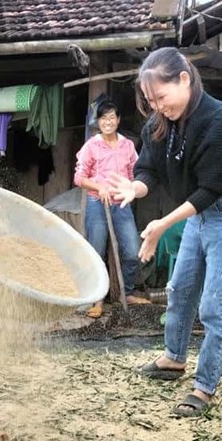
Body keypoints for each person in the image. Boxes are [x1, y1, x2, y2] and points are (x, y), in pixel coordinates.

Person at [108, 47, 222, 417]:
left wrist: (160, 225)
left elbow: (210, 189)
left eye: (162, 96)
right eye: (150, 99)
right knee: (180, 288)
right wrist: (134, 189)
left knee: (216, 305)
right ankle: (173, 359)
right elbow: (149, 170)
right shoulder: (159, 123)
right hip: (198, 213)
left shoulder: (219, 122)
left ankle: (204, 387)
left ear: (184, 79)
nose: (157, 105)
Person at [74, 100, 150, 318]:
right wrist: (100, 187)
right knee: (96, 250)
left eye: (111, 118)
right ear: (98, 122)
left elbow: (135, 172)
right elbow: (79, 177)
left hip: (121, 203)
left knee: (132, 250)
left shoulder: (127, 145)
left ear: (117, 120)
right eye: (103, 118)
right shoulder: (92, 146)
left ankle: (126, 293)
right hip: (98, 202)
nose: (108, 122)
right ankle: (96, 299)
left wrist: (131, 188)